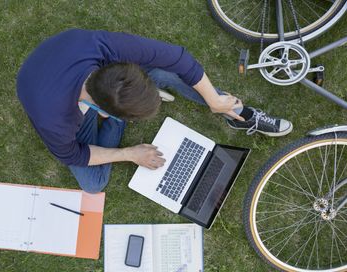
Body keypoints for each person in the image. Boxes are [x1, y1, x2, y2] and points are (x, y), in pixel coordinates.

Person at [17, 29, 292, 193]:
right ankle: (116, 126)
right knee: (93, 184)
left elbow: (179, 59)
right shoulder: (55, 119)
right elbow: (71, 153)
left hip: (81, 75)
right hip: (59, 102)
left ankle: (239, 114)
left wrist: (213, 99)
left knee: (166, 71)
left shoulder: (100, 46)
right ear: (103, 109)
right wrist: (130, 154)